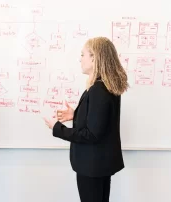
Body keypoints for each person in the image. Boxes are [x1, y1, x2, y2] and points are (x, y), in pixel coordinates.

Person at [43, 36, 128, 202]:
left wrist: (57, 128)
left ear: (94, 58)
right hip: (99, 164)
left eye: (83, 55)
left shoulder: (99, 89)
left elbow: (91, 134)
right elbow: (101, 121)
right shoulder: (106, 86)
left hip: (92, 166)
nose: (80, 59)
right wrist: (75, 115)